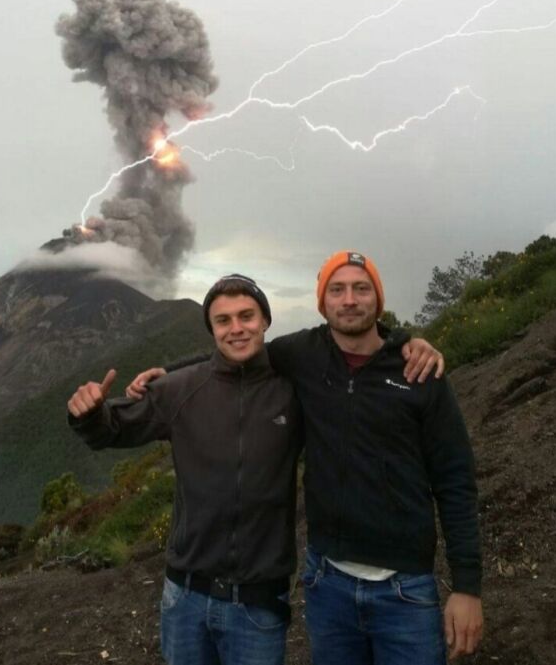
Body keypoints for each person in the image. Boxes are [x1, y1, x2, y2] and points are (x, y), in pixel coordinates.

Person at [128, 254, 481, 662]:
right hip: (327, 583)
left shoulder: (417, 372)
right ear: (323, 302)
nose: (349, 300)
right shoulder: (304, 354)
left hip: (406, 587)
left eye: (361, 288)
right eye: (337, 289)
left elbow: (455, 480)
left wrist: (467, 587)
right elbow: (240, 352)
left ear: (378, 299)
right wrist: (167, 374)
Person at [68, 275, 303, 665]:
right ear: (212, 329)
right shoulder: (180, 389)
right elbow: (114, 428)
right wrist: (89, 414)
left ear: (265, 320)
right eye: (223, 320)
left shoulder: (293, 391)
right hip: (185, 599)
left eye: (246, 316)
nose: (236, 328)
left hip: (259, 602)